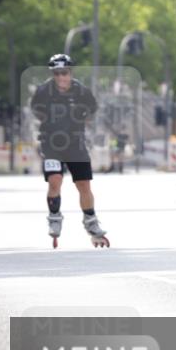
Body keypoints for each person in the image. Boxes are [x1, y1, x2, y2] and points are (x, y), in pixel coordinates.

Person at [31, 54, 109, 248]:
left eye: (64, 73)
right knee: (55, 180)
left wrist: (80, 120)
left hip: (76, 144)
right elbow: (36, 111)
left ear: (70, 73)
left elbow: (93, 109)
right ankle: (55, 217)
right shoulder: (43, 91)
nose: (60, 77)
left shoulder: (81, 91)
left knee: (83, 185)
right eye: (56, 74)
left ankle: (90, 221)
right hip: (51, 144)